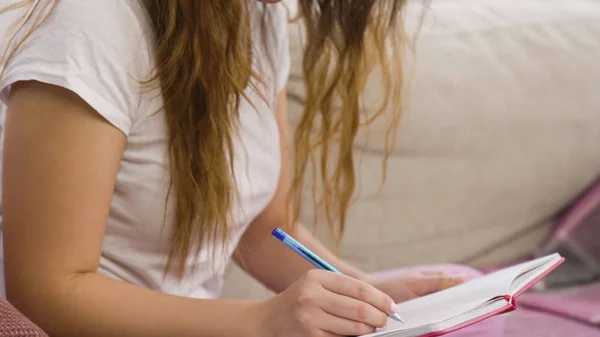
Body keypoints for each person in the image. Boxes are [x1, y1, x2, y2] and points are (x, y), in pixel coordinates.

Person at [0, 0, 502, 336]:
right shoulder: (92, 27)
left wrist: (368, 293)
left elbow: (265, 229)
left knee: (463, 292)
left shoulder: (255, 18)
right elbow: (46, 288)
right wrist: (262, 322)